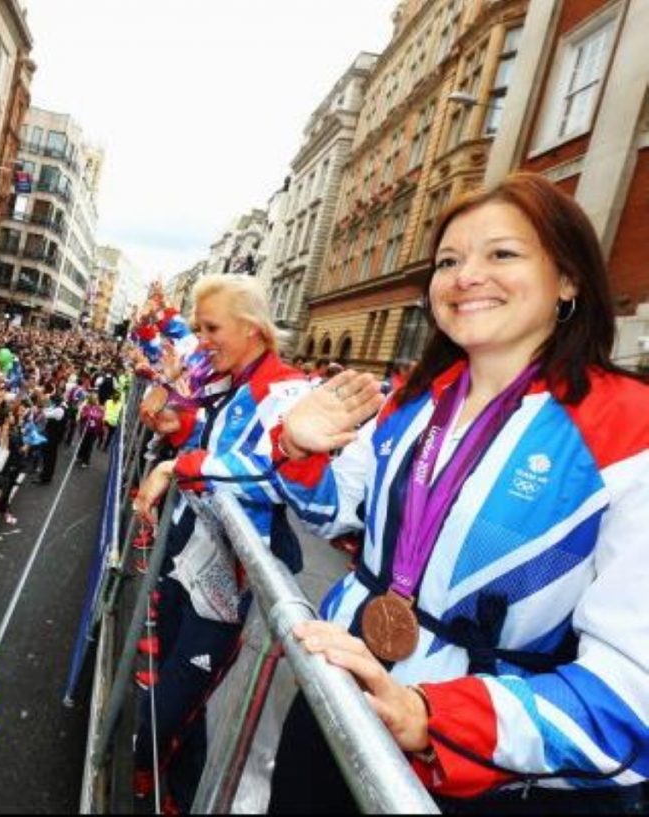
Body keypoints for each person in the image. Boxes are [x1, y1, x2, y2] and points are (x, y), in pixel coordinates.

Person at [266, 174, 649, 812]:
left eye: (502, 253)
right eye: (449, 260)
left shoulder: (630, 427)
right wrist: (297, 448)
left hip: (486, 771)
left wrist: (432, 715)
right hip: (342, 694)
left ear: (569, 279)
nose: (466, 275)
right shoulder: (414, 399)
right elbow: (327, 508)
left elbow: (631, 693)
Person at [130, 274, 312, 810]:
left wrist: (175, 462)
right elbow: (204, 435)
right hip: (188, 554)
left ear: (252, 329)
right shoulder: (228, 379)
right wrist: (175, 427)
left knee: (171, 706)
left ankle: (154, 781)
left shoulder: (286, 390)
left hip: (226, 581)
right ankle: (172, 795)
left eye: (213, 327)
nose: (202, 338)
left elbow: (271, 470)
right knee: (166, 694)